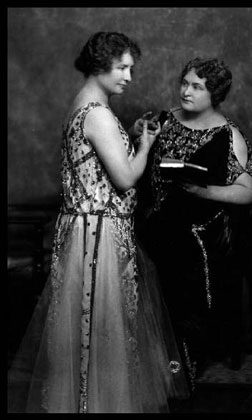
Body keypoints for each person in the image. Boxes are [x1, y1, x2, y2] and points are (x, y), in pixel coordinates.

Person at [7, 31, 189, 413]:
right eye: (122, 67)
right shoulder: (100, 114)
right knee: (101, 331)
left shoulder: (84, 106)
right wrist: (145, 146)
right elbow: (124, 178)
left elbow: (100, 164)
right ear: (100, 63)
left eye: (130, 68)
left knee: (93, 332)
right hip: (98, 236)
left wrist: (132, 136)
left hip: (88, 228)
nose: (128, 76)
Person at [131, 57, 252, 389]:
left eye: (196, 87)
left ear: (214, 94)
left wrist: (200, 190)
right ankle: (137, 360)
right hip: (149, 219)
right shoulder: (163, 119)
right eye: (184, 83)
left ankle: (180, 364)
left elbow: (248, 192)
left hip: (196, 230)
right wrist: (138, 136)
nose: (185, 91)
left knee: (183, 260)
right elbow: (137, 160)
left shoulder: (227, 134)